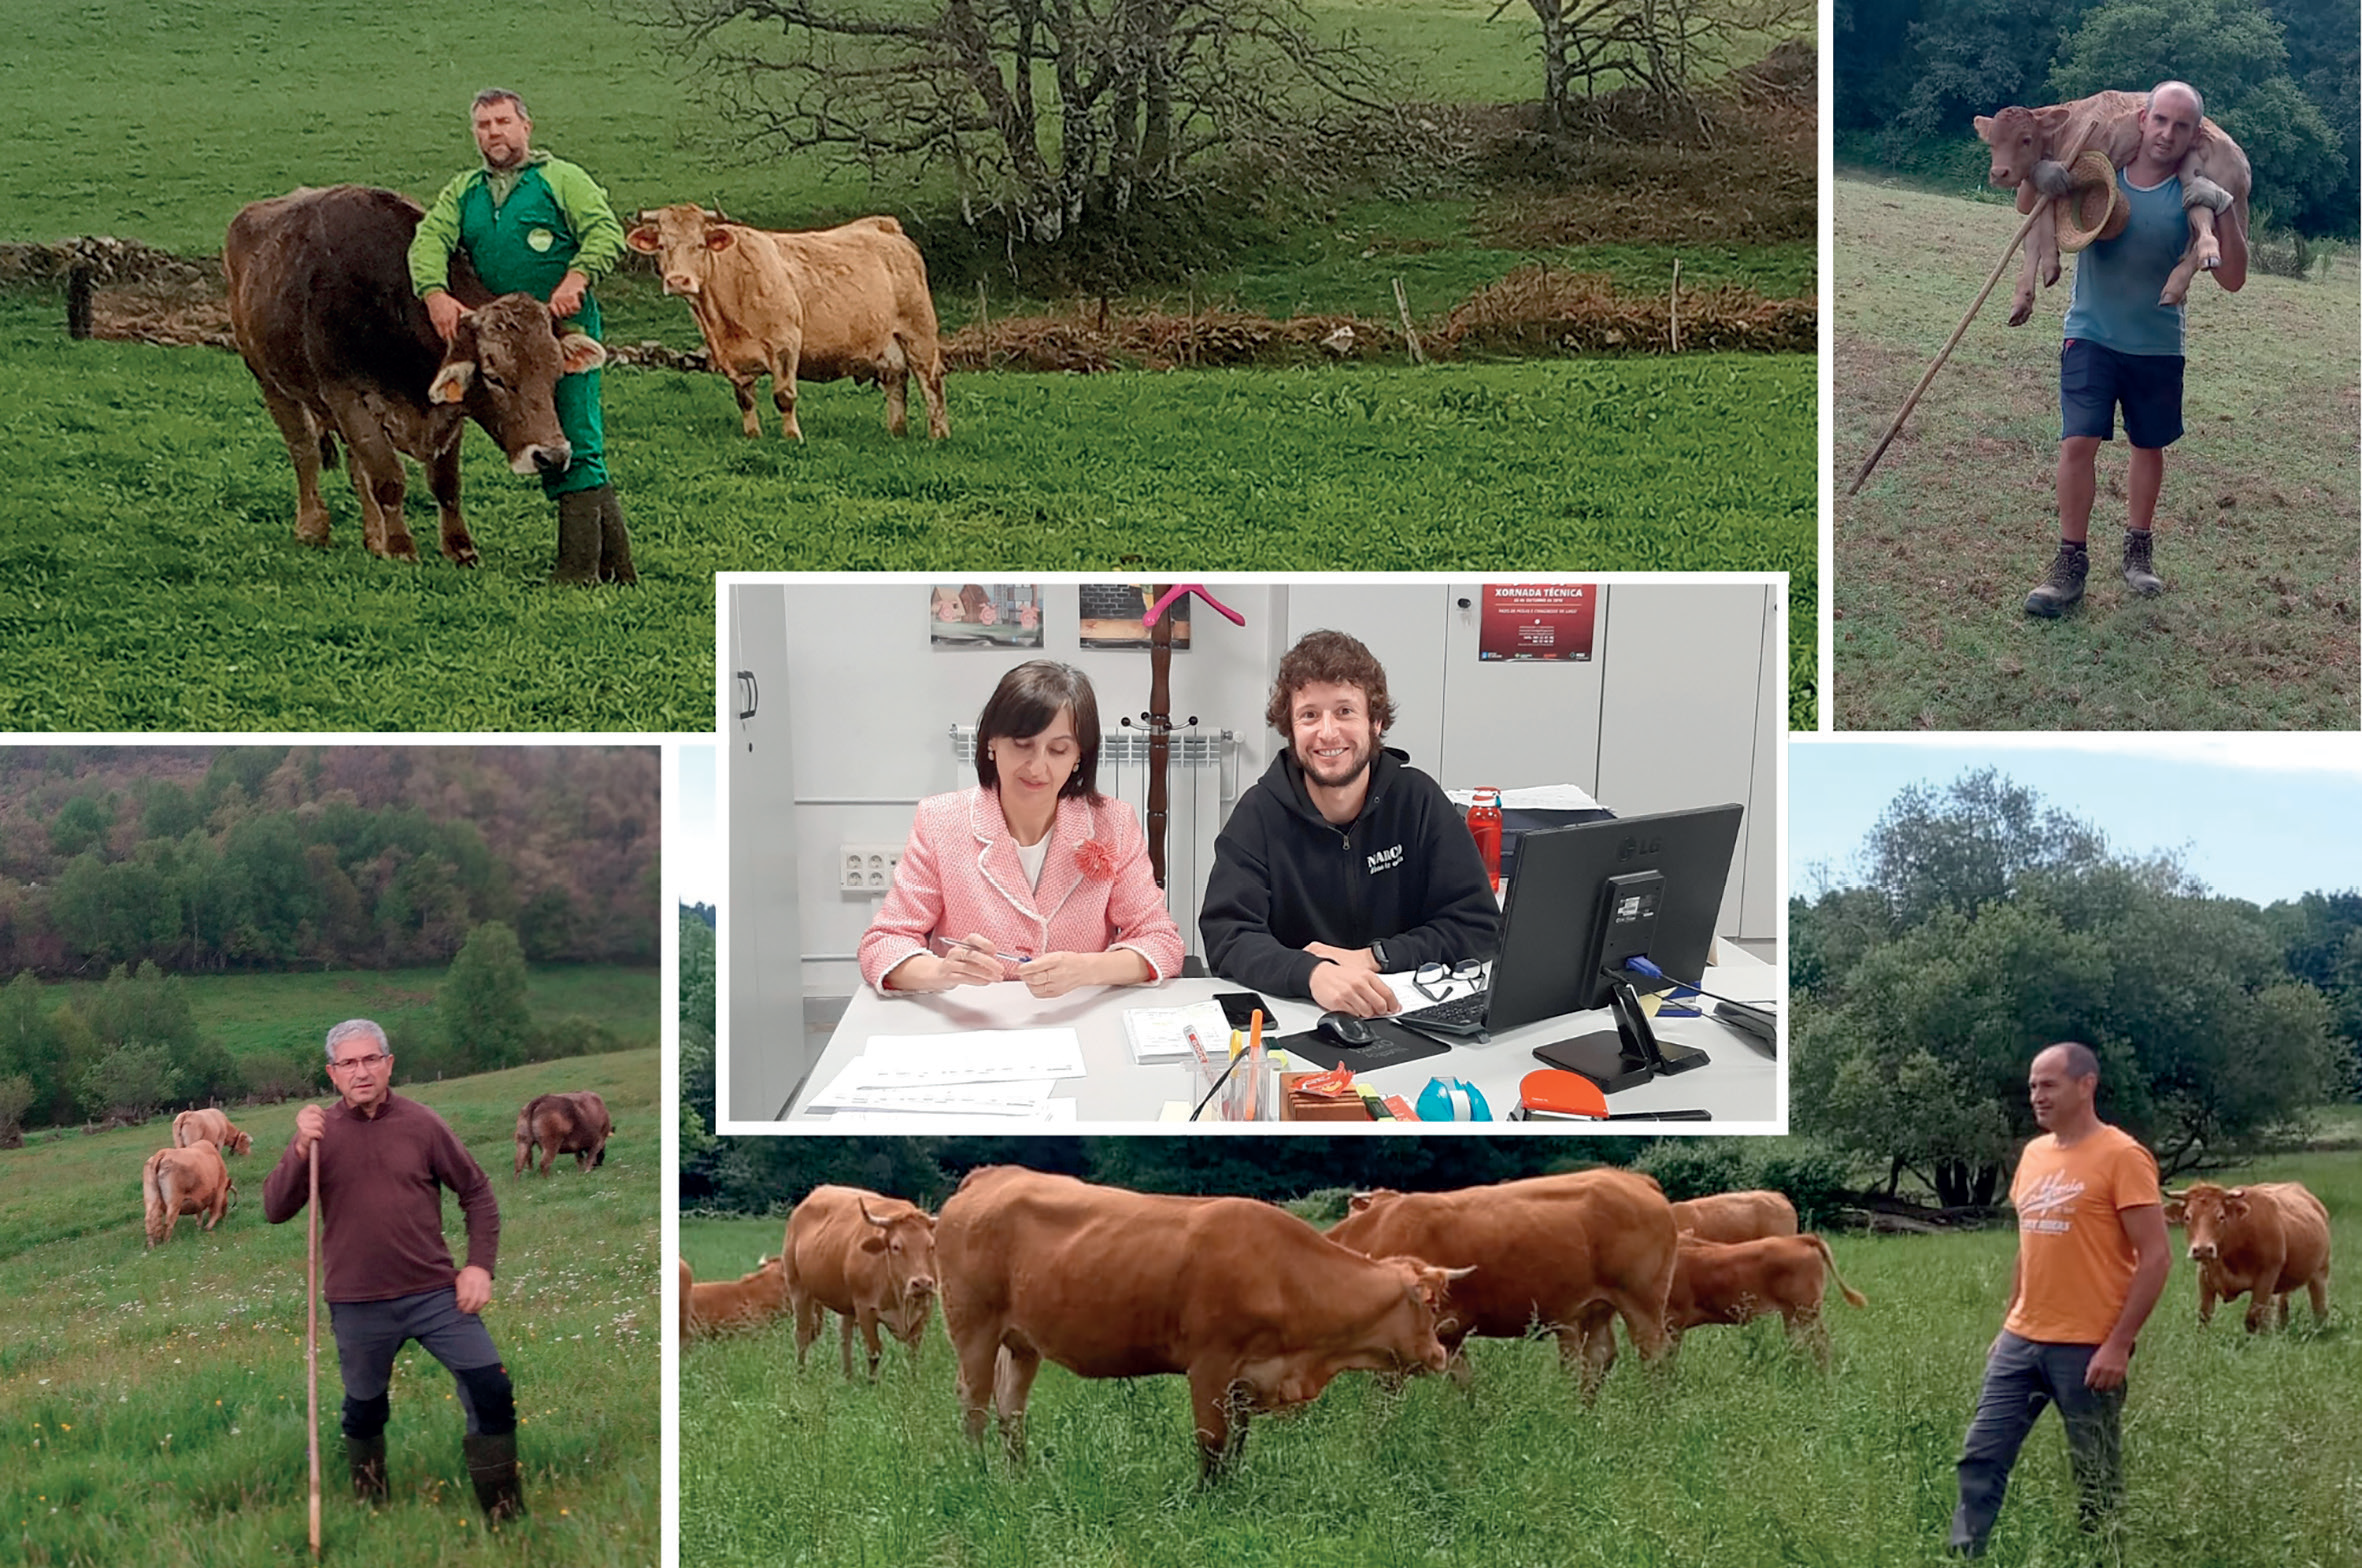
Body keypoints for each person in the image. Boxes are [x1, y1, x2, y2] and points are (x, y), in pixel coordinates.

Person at [262, 1019, 522, 1522]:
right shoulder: (318, 1135)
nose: (361, 1071)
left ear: (389, 1064)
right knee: (365, 1407)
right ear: (332, 1074)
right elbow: (275, 1208)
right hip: (357, 1301)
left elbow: (477, 1193)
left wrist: (478, 1267)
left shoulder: (422, 1124)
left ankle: (504, 1515)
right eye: (348, 1063)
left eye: (370, 1059)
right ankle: (372, 1506)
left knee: (491, 1386)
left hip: (434, 1294)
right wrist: (298, 1150)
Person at [2024, 80, 2245, 617]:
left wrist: (2227, 210)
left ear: (2196, 136)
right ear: (2142, 120)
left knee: (2148, 447)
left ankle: (2138, 549)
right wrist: (2039, 177)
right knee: (2077, 442)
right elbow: (2030, 204)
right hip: (2090, 334)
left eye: (2182, 126)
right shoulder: (2099, 175)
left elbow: (2234, 279)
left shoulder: (2196, 199)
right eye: (2161, 120)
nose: (2168, 133)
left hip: (2157, 346)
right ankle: (2069, 565)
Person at [1198, 629, 1499, 1017]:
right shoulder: (1258, 813)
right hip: (1302, 1015)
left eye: (1344, 711)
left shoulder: (1418, 800)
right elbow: (1227, 936)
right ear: (1290, 729)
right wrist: (1311, 974)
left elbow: (1478, 925)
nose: (1327, 732)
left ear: (1374, 722)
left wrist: (1376, 957)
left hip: (1410, 1012)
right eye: (1309, 715)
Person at [1949, 1042, 2169, 1556]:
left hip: (2088, 1347)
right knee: (1981, 1456)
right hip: (2021, 1342)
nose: (2036, 1096)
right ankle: (1964, 1555)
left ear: (2085, 1085)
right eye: (2032, 1086)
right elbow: (2030, 1248)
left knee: (2094, 1470)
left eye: (2048, 1085)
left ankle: (2101, 1556)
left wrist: (2118, 1344)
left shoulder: (2122, 1156)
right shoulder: (2034, 1155)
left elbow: (2156, 1257)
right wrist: (2008, 1324)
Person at [408, 88, 634, 586]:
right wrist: (434, 293)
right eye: (485, 125)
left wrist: (577, 278)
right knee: (550, 440)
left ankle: (576, 575)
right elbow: (429, 239)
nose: (495, 133)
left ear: (526, 127)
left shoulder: (561, 178)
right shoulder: (465, 190)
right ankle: (617, 569)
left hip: (557, 330)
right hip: (502, 338)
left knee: (574, 438)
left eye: (504, 122)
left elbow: (604, 231)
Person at [858, 661, 1184, 995]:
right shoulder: (941, 820)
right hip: (971, 1022)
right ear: (992, 743)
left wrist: (1087, 969)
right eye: (1022, 744)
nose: (1037, 767)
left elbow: (1161, 942)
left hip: (1074, 1018)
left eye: (1058, 750)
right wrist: (942, 972)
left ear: (1078, 758)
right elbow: (883, 943)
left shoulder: (1112, 822)